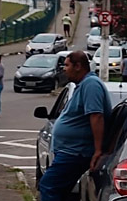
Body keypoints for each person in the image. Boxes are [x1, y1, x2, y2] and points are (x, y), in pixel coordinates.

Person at [38, 51, 112, 201]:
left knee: (48, 185)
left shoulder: (91, 85)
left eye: (67, 65)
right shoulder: (82, 85)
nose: (64, 69)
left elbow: (96, 116)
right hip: (70, 151)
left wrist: (97, 151)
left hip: (76, 152)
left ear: (78, 66)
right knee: (60, 192)